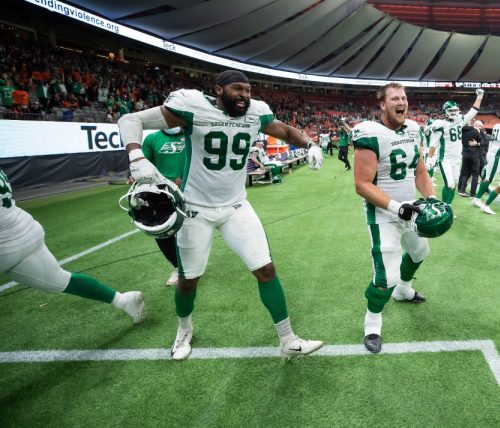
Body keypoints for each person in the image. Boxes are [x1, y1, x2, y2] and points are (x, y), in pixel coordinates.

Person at [118, 70, 323, 360]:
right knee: (188, 280)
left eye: (248, 90)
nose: (244, 95)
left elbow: (286, 131)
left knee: (266, 270)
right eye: (238, 88)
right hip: (194, 208)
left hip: (236, 206)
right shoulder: (192, 106)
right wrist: (136, 156)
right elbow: (130, 119)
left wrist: (310, 144)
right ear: (218, 89)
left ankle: (288, 339)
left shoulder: (256, 113)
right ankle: (183, 331)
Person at [352, 82, 437, 354]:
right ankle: (372, 323)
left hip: (410, 207)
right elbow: (362, 184)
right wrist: (395, 207)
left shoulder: (413, 129)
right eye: (395, 98)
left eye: (404, 97)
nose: (401, 102)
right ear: (382, 104)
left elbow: (420, 172)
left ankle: (404, 289)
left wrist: (431, 199)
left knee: (420, 251)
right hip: (382, 211)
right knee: (384, 276)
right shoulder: (369, 133)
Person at [0, 168, 145, 325]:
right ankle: (123, 300)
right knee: (59, 280)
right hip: (23, 227)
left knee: (59, 279)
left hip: (6, 242)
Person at [139, 126, 186, 286]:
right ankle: (179, 267)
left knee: (191, 229)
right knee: (161, 229)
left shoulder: (192, 135)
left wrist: (182, 177)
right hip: (162, 191)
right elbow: (143, 164)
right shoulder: (152, 139)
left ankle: (191, 266)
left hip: (192, 187)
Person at [426, 90, 485, 205]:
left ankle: (448, 206)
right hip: (445, 160)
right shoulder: (441, 125)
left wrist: (479, 97)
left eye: (455, 110)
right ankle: (444, 207)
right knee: (449, 184)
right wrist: (429, 159)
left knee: (454, 185)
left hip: (457, 160)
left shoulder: (460, 121)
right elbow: (433, 144)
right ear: (445, 112)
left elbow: (473, 111)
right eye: (451, 110)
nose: (453, 112)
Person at [472, 114, 500, 208]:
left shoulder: (497, 125)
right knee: (488, 179)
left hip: (494, 154)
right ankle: (476, 199)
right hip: (497, 156)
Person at [458, 120, 487, 197]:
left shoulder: (462, 130)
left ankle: (461, 189)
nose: (481, 128)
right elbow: (483, 142)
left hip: (465, 154)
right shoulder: (476, 131)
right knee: (475, 174)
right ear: (476, 125)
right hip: (474, 155)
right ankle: (473, 193)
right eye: (480, 126)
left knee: (465, 173)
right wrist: (477, 143)